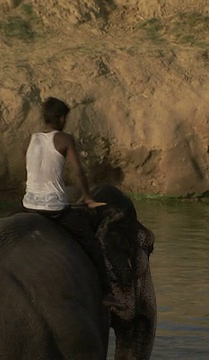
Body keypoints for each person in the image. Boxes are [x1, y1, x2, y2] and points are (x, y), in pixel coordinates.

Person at [21, 97, 124, 310]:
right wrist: (87, 197)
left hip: (28, 204)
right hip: (54, 209)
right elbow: (78, 171)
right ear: (61, 118)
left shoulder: (30, 139)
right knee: (91, 241)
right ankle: (106, 293)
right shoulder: (65, 139)